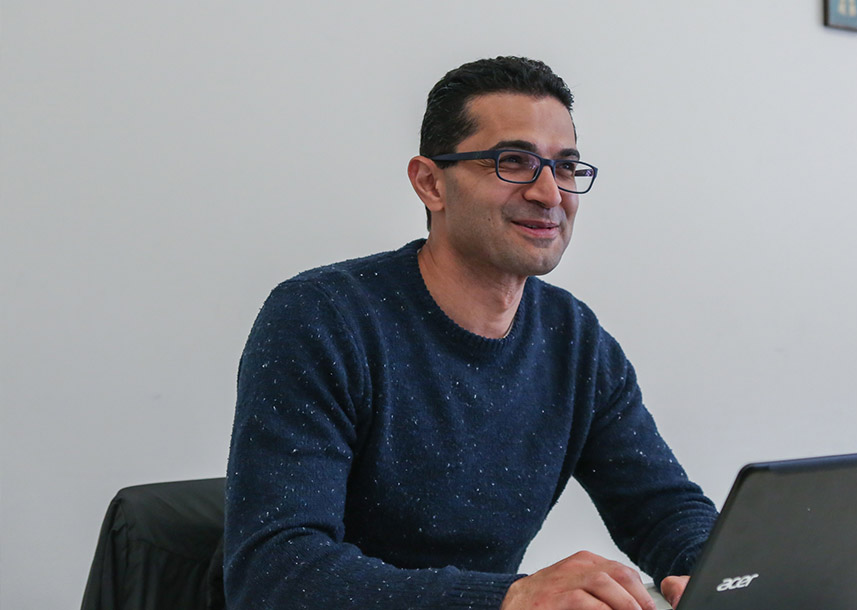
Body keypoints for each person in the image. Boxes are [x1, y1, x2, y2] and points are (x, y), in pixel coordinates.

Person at [224, 56, 717, 610]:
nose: (549, 194)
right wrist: (509, 599)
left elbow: (664, 509)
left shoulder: (574, 339)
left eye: (565, 168)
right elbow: (275, 573)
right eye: (513, 162)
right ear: (430, 183)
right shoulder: (321, 318)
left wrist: (723, 575)